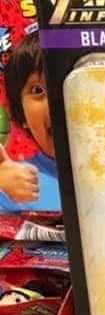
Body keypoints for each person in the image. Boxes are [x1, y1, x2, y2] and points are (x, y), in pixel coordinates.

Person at [0, 32, 57, 211]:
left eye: (66, 83)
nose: (57, 101)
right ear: (21, 114)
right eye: (38, 90)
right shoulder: (12, 184)